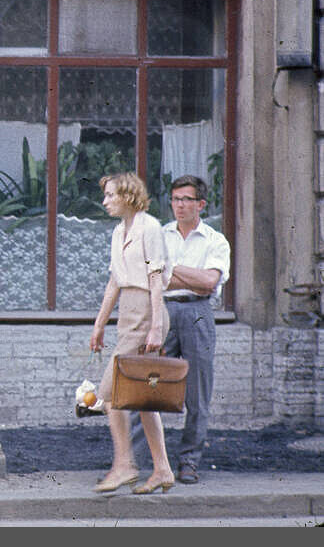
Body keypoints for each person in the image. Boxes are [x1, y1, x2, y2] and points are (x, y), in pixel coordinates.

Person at [130, 174, 231, 484]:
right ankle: (133, 462)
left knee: (197, 394)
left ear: (201, 204)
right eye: (176, 199)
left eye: (187, 200)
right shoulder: (160, 236)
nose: (180, 205)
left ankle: (189, 462)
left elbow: (209, 282)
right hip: (162, 312)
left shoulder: (215, 240)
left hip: (198, 313)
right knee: (146, 387)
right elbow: (150, 279)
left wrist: (170, 270)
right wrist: (188, 277)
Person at [89, 171, 175, 495]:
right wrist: (99, 324)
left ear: (128, 196)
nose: (105, 201)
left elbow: (156, 278)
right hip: (128, 311)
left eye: (111, 195)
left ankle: (125, 465)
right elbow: (115, 280)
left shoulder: (149, 227)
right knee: (142, 398)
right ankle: (162, 470)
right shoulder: (118, 232)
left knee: (109, 393)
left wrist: (156, 326)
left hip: (145, 311)